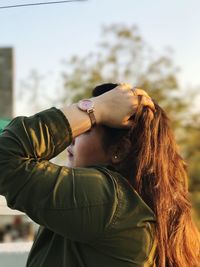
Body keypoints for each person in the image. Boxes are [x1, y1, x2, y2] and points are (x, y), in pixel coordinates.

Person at [0, 83, 199, 267]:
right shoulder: (131, 204)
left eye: (86, 126)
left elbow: (5, 158)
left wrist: (97, 108)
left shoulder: (109, 202)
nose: (71, 137)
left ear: (119, 150)